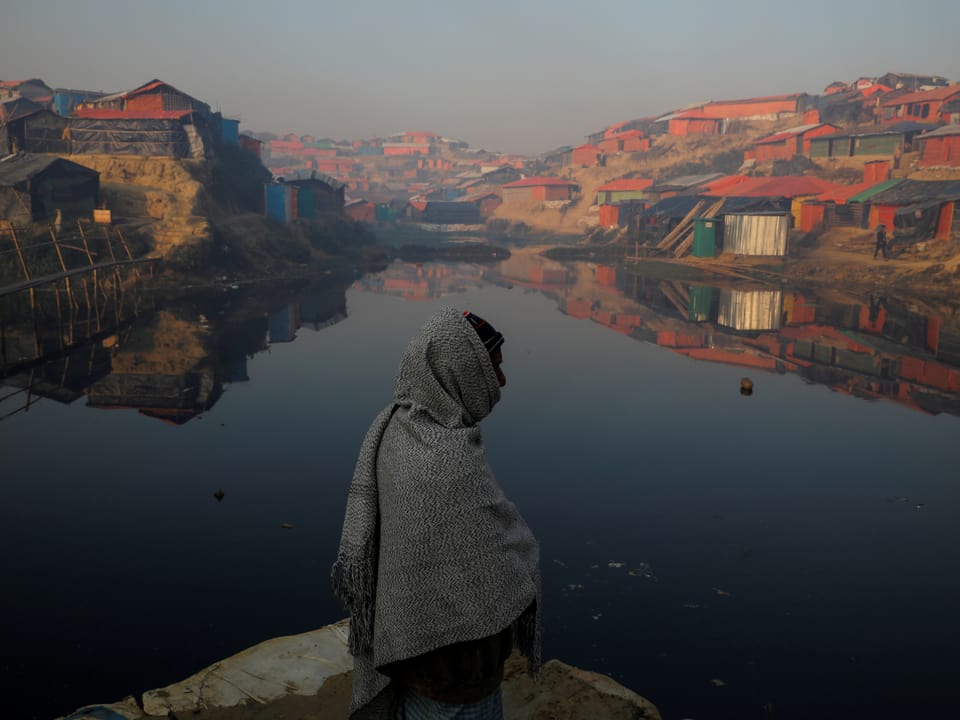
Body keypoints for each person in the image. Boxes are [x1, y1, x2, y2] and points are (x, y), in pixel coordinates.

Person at [332, 307, 541, 719]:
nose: (501, 381)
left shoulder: (396, 427)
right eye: (492, 368)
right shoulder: (447, 460)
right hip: (454, 671)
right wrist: (525, 557)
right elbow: (491, 569)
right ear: (458, 371)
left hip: (413, 655)